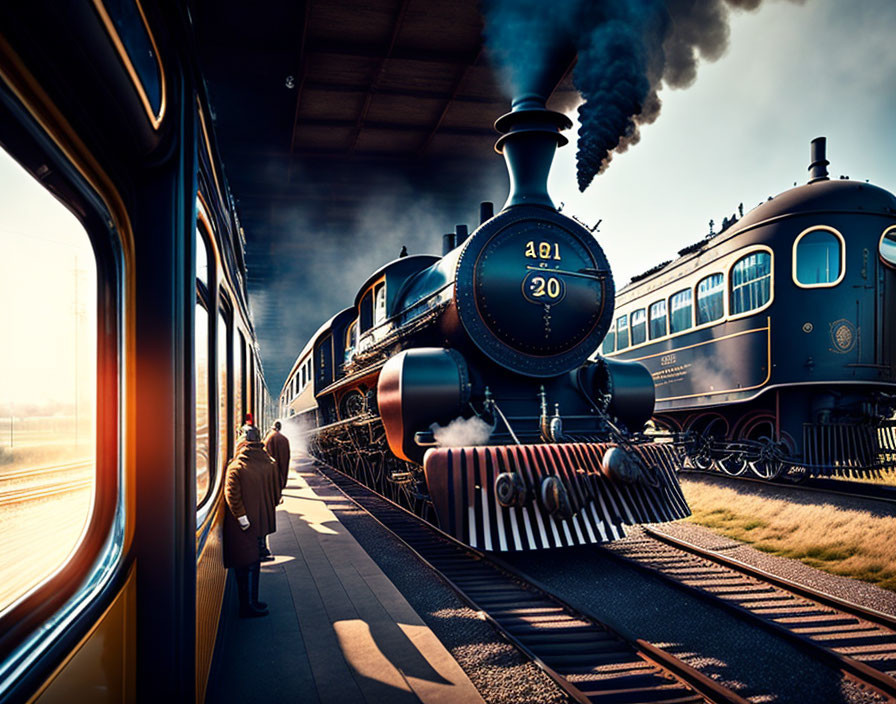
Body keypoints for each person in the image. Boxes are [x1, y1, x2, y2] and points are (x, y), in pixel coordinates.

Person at [223, 425, 279, 618]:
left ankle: (247, 605)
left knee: (243, 563)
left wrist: (242, 518)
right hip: (261, 521)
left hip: (242, 525)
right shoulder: (269, 463)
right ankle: (253, 601)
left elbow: (232, 496)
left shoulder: (236, 467)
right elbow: (277, 490)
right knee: (254, 561)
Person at [263, 420, 291, 491]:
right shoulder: (284, 439)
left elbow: (266, 452)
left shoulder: (269, 437)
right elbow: (287, 456)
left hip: (271, 470)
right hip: (281, 467)